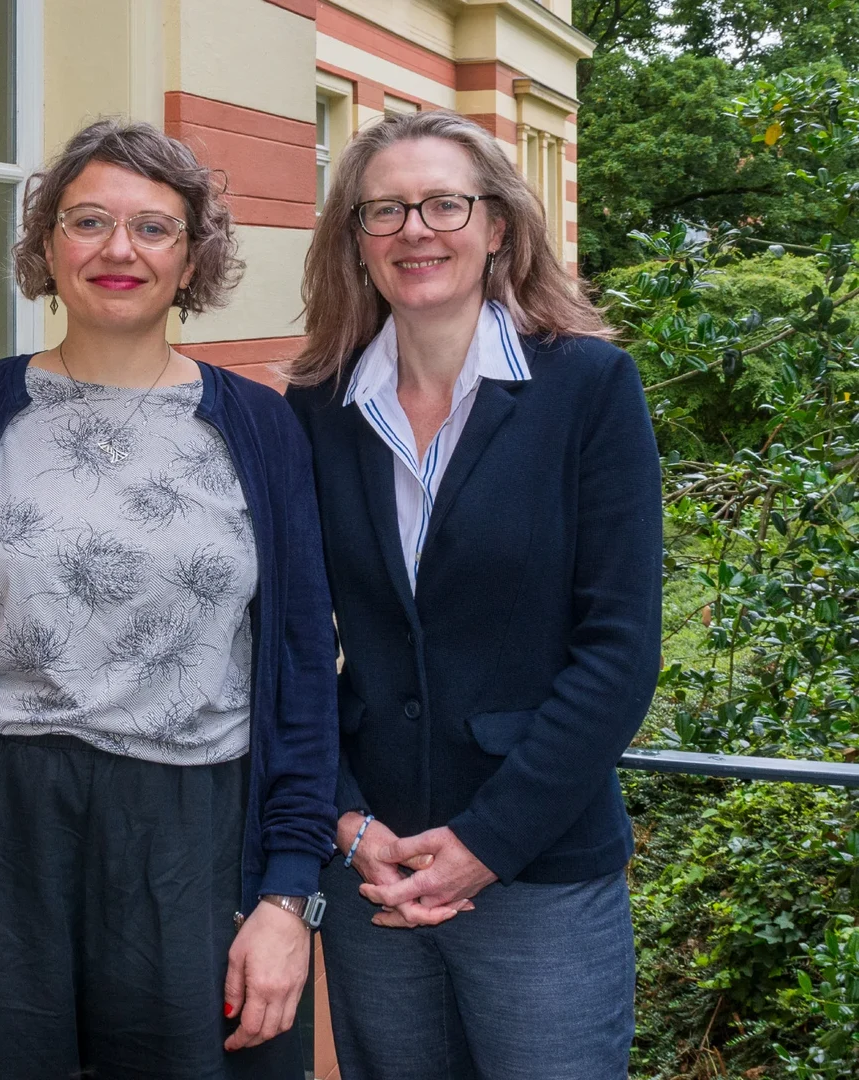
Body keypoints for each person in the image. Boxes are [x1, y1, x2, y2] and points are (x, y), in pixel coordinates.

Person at [0, 120, 340, 1080]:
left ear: (192, 257)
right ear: (46, 245)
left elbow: (300, 670)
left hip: (196, 839)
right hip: (5, 832)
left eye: (153, 228)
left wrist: (286, 894)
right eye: (87, 221)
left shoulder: (256, 426)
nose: (118, 250)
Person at [284, 109, 663, 1079]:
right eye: (385, 211)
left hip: (537, 873)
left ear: (497, 226)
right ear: (356, 243)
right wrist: (344, 818)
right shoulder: (317, 408)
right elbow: (287, 639)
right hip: (374, 870)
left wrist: (484, 844)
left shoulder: (587, 387)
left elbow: (618, 648)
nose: (415, 229)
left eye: (443, 204)